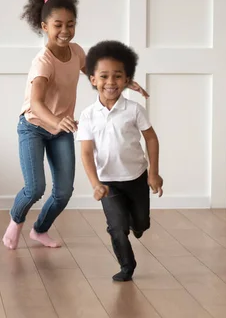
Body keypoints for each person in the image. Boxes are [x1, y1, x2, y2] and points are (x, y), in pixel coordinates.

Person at [2, 0, 148, 250]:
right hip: (33, 127)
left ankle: (40, 229)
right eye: (58, 25)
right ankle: (16, 220)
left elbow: (98, 75)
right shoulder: (43, 62)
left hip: (61, 130)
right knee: (35, 189)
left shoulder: (77, 52)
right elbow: (35, 102)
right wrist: (57, 121)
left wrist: (128, 83)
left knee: (64, 191)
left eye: (71, 24)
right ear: (44, 27)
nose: (65, 31)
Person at [76, 40, 163, 281]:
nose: (111, 82)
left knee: (141, 224)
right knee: (116, 227)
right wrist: (95, 184)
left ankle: (138, 226)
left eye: (117, 76)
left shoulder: (134, 109)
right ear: (93, 79)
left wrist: (154, 173)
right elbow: (85, 152)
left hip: (136, 177)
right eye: (104, 76)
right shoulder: (88, 115)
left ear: (126, 80)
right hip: (108, 182)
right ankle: (127, 266)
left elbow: (152, 139)